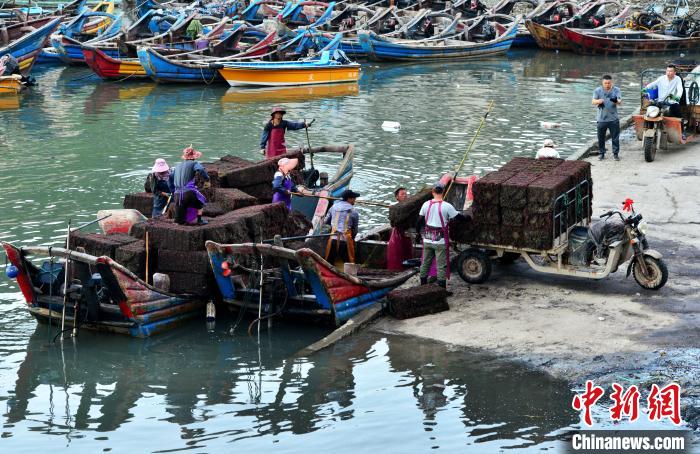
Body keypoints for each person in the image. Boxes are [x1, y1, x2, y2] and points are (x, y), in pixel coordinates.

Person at [416, 182, 465, 291]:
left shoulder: (425, 204)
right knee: (441, 266)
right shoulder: (447, 206)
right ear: (443, 192)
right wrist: (468, 218)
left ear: (433, 192)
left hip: (427, 239)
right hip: (440, 241)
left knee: (425, 263)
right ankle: (442, 290)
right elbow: (459, 218)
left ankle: (422, 287)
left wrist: (418, 233)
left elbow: (419, 221)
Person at [169, 146, 210, 226]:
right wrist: (207, 178)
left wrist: (173, 191)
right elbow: (201, 170)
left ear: (184, 157)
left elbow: (169, 178)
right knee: (200, 201)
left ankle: (182, 221)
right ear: (194, 157)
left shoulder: (177, 166)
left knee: (178, 222)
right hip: (188, 193)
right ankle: (199, 220)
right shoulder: (194, 163)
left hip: (177, 194)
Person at [324, 189, 360, 265]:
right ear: (349, 199)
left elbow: (326, 222)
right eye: (354, 198)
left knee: (328, 264)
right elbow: (355, 230)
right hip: (345, 241)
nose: (355, 200)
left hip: (333, 239)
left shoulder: (333, 207)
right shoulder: (354, 212)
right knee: (349, 265)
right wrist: (352, 239)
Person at [592, 74, 622, 161]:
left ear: (611, 82)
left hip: (613, 119)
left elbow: (620, 102)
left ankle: (615, 154)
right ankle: (602, 153)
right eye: (605, 83)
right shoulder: (598, 90)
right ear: (602, 82)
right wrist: (598, 101)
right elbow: (593, 101)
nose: (607, 85)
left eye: (609, 83)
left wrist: (615, 100)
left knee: (615, 137)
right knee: (601, 137)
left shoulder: (616, 90)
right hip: (601, 119)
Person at [386, 187, 414, 270]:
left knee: (408, 253)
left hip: (407, 235)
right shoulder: (395, 208)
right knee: (396, 255)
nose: (405, 196)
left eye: (406, 194)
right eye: (402, 194)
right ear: (397, 197)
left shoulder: (411, 207)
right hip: (397, 235)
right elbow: (392, 224)